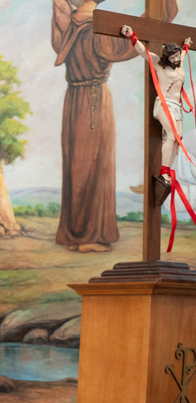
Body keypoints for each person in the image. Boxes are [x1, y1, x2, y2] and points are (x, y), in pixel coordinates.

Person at [51, 0, 177, 252]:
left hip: (74, 100)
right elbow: (134, 39)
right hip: (95, 100)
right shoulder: (98, 29)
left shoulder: (67, 26)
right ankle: (90, 237)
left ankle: (76, 234)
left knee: (77, 164)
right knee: (94, 163)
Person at [122, 23, 192, 196]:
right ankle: (164, 171)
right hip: (164, 105)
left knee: (178, 139)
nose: (177, 58)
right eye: (173, 56)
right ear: (167, 57)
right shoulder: (159, 64)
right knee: (171, 136)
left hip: (176, 107)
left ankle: (167, 172)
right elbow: (142, 52)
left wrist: (186, 46)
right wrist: (132, 36)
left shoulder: (180, 62)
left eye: (177, 55)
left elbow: (183, 52)